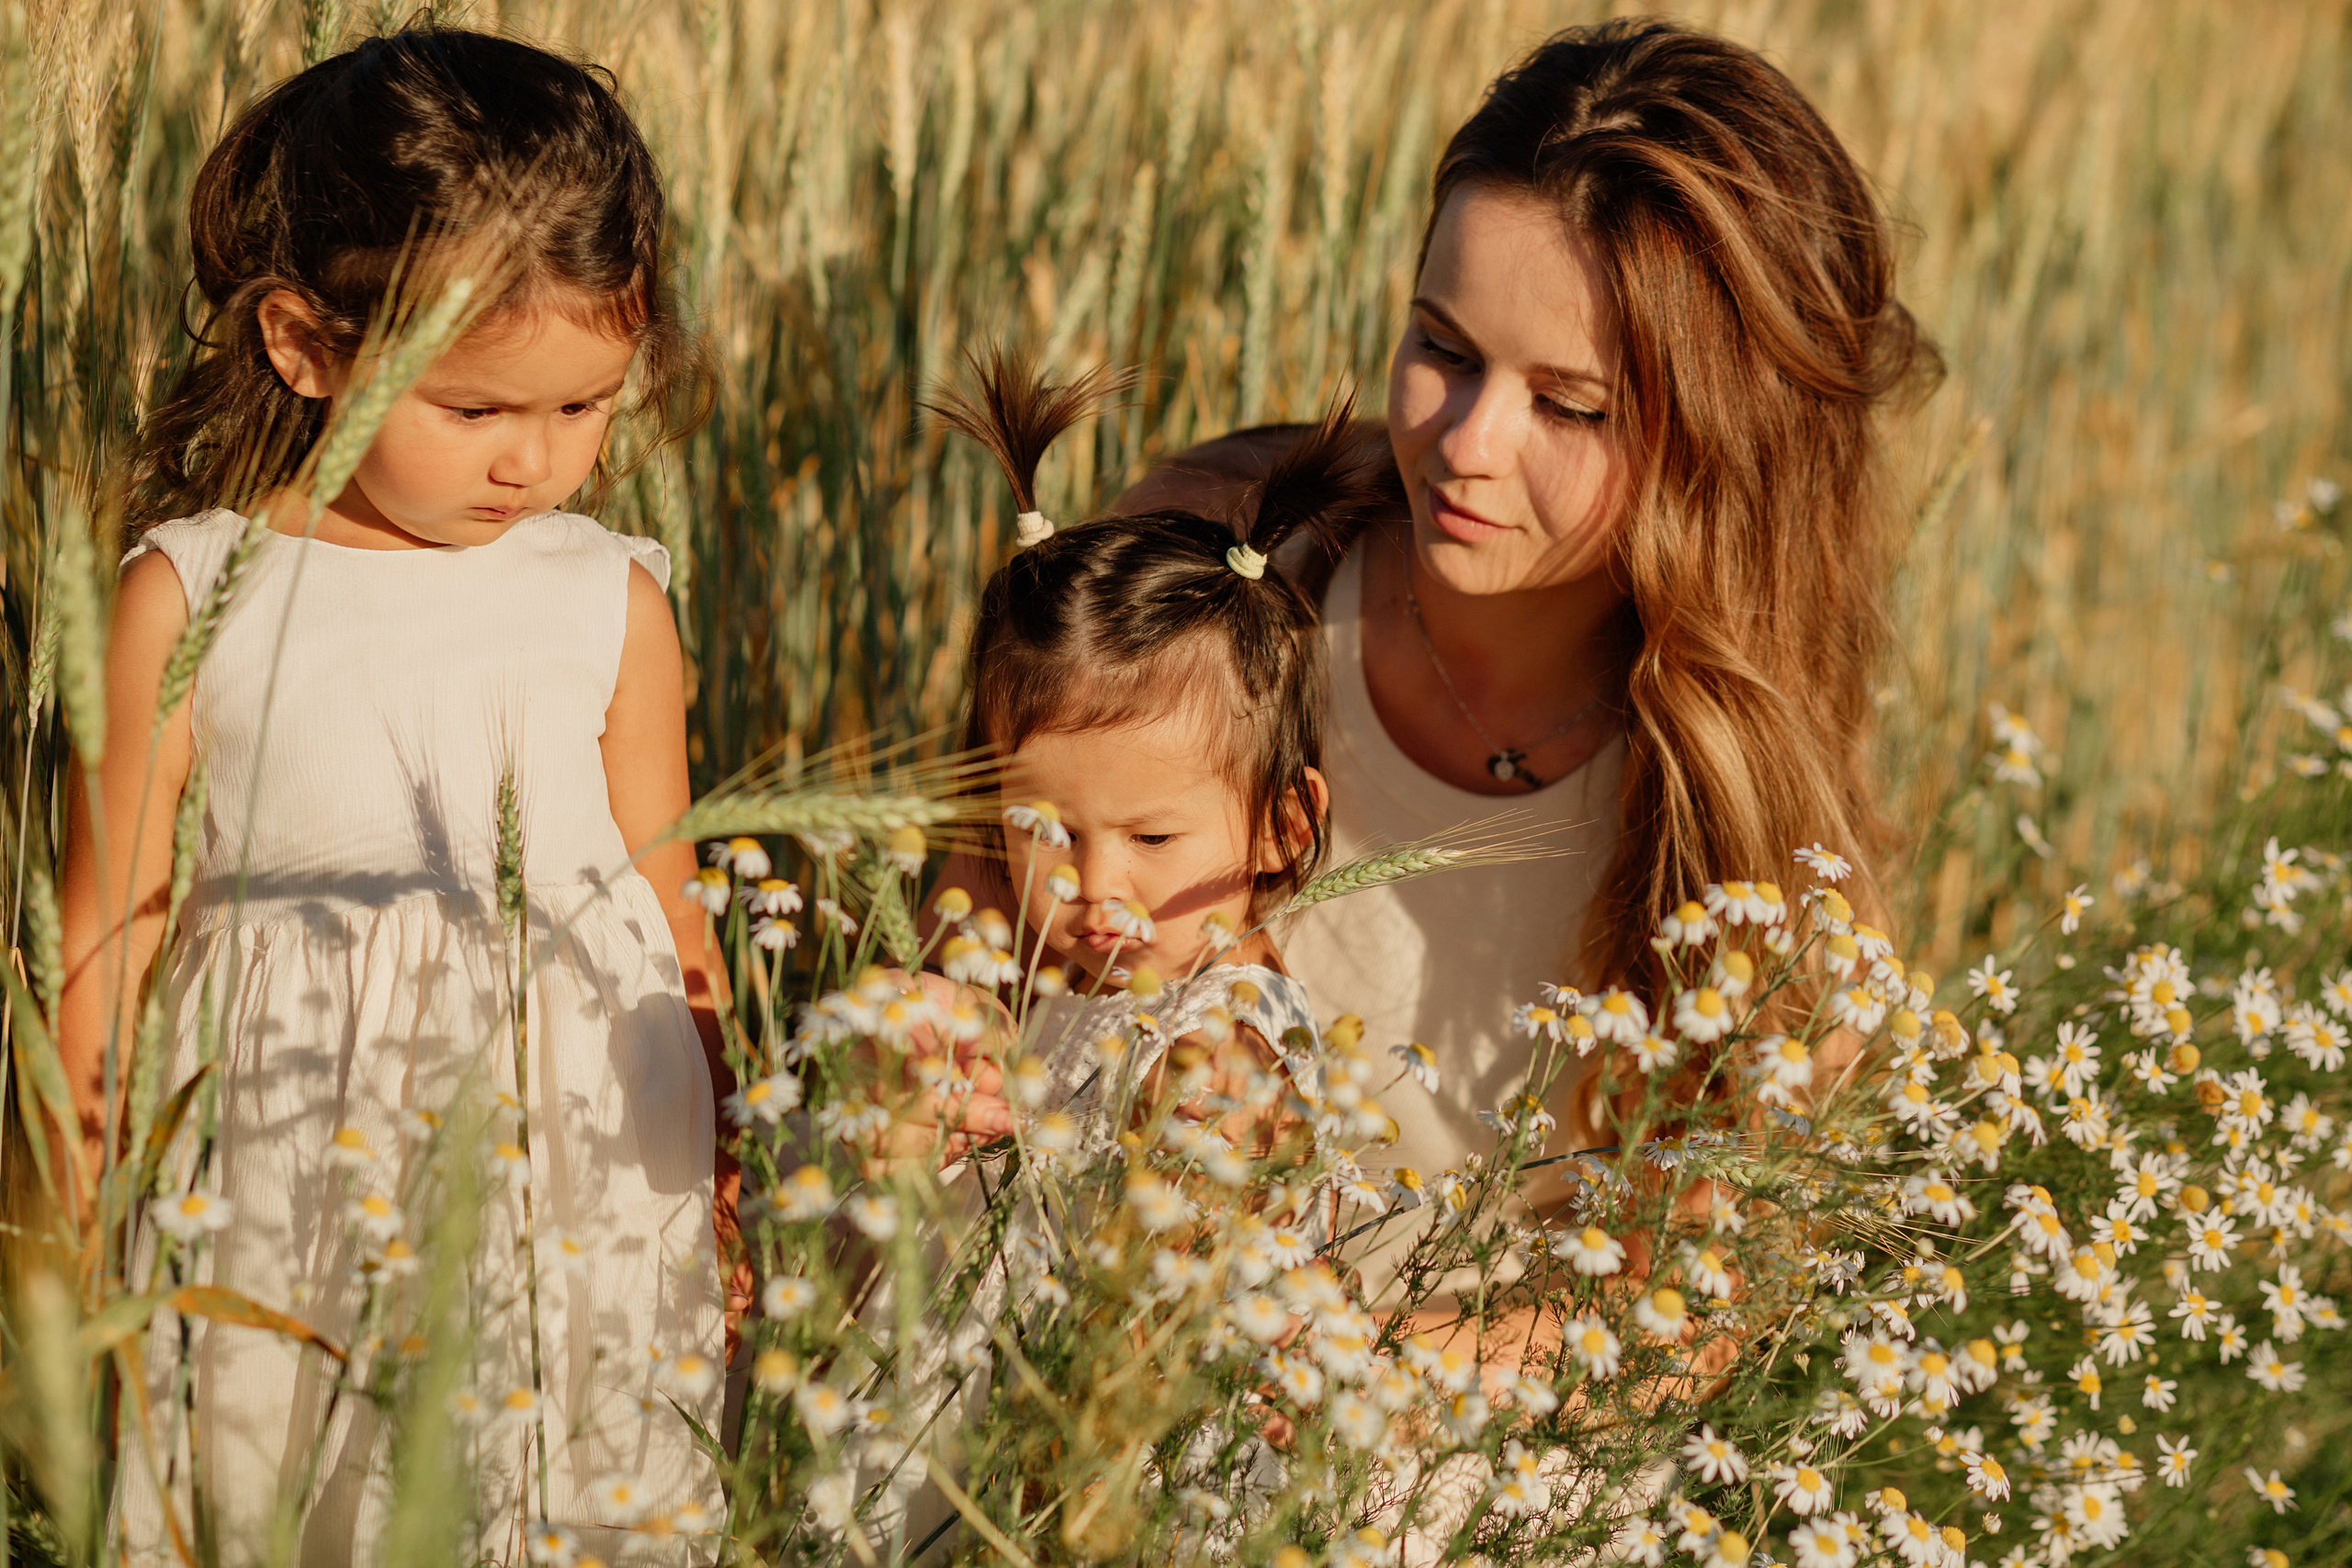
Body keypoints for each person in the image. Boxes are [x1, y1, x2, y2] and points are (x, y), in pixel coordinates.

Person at [1114, 17, 1938, 1287]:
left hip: (1460, 1402)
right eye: (1442, 349)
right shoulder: (1229, 560)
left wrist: (1380, 1368)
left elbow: (1694, 1300)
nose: (1467, 443)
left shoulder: (1741, 794)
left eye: (1570, 406)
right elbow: (981, 964)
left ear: (1724, 452)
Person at [58, 28, 723, 1563]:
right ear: (306, 345)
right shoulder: (192, 595)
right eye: (476, 411)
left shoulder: (611, 597)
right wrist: (86, 1207)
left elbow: (670, 903)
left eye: (585, 409)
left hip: (573, 1168)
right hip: (288, 1171)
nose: (533, 463)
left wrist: (724, 1149)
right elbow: (110, 929)